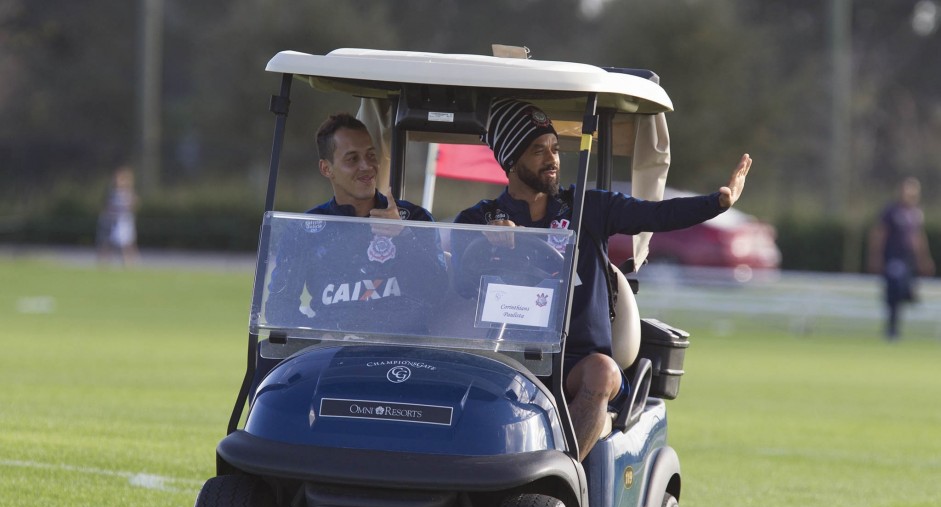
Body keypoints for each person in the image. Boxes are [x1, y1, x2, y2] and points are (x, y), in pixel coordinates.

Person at [452, 98, 752, 461]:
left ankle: (558, 474)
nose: (552, 159)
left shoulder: (587, 208)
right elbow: (460, 283)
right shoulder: (479, 219)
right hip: (507, 362)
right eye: (537, 151)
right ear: (511, 160)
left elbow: (656, 214)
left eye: (555, 148)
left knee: (602, 372)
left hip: (577, 364)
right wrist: (485, 244)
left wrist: (715, 204)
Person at [265, 113, 446, 332]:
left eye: (371, 156)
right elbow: (279, 307)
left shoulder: (415, 218)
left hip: (403, 353)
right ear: (326, 168)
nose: (366, 166)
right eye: (352, 159)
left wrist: (403, 236)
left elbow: (437, 295)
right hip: (334, 355)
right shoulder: (304, 229)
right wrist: (319, 336)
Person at [867, 177, 936, 340]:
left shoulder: (916, 214)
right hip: (893, 257)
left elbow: (918, 238)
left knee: (902, 290)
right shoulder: (891, 211)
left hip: (908, 259)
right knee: (895, 288)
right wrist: (875, 257)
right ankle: (892, 329)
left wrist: (924, 259)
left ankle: (907, 297)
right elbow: (879, 234)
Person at [96, 166, 139, 265]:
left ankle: (130, 263)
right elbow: (107, 207)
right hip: (112, 221)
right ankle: (103, 262)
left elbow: (133, 205)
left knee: (127, 244)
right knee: (107, 242)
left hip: (124, 222)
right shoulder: (112, 193)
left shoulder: (128, 193)